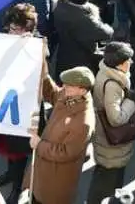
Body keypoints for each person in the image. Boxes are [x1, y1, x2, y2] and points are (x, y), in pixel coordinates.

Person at [0, 5, 41, 201]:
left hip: (22, 109)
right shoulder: (7, 41)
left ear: (28, 30)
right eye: (11, 29)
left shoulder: (38, 47)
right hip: (4, 104)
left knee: (18, 150)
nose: (12, 32)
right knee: (7, 146)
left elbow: (39, 78)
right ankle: (11, 174)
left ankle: (17, 188)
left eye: (16, 29)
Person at [30, 66, 95, 204]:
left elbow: (66, 152)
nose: (64, 87)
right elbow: (52, 93)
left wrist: (39, 145)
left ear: (82, 90)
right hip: (45, 172)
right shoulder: (70, 96)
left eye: (69, 85)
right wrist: (44, 72)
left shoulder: (84, 122)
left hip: (55, 180)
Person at [87, 41, 135, 204]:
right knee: (106, 185)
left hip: (105, 142)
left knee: (104, 178)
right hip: (111, 146)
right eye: (128, 60)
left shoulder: (107, 73)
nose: (130, 63)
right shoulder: (112, 85)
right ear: (119, 63)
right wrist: (131, 102)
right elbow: (115, 119)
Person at [55, 0, 114, 75]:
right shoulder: (84, 18)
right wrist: (95, 15)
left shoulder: (60, 5)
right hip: (81, 62)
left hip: (63, 57)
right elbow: (107, 33)